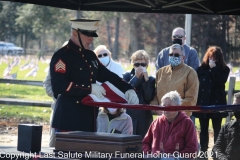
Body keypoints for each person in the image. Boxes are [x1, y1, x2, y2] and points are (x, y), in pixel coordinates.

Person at [50, 19, 139, 132]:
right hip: (68, 119)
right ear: (74, 33)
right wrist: (89, 88)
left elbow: (108, 75)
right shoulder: (62, 55)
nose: (91, 39)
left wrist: (128, 89)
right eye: (87, 35)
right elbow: (58, 86)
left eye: (92, 35)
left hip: (88, 118)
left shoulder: (90, 56)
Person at [192, 46, 230, 154]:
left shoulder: (224, 69)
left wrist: (214, 69)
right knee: (203, 130)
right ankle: (203, 151)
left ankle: (216, 151)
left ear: (219, 58)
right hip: (204, 102)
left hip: (217, 103)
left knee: (217, 129)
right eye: (210, 57)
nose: (212, 60)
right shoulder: (201, 69)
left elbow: (220, 81)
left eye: (215, 58)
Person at [142, 91, 198, 159]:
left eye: (169, 106)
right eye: (164, 106)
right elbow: (145, 143)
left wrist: (175, 158)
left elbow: (192, 148)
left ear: (178, 107)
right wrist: (149, 155)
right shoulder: (156, 122)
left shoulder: (187, 123)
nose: (166, 109)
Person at [151, 44, 199, 117]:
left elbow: (191, 100)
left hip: (181, 118)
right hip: (162, 118)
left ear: (183, 57)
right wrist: (156, 108)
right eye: (171, 54)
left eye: (176, 55)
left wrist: (171, 108)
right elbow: (155, 96)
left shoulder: (190, 73)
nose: (173, 57)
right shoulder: (161, 72)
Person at [122, 50, 155, 139]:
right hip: (129, 115)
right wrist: (136, 77)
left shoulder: (151, 79)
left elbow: (149, 97)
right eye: (137, 64)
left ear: (147, 65)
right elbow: (126, 92)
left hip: (144, 117)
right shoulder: (126, 76)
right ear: (133, 64)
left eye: (143, 65)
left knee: (143, 145)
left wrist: (146, 80)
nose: (140, 67)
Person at [43, 41, 68, 147]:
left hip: (76, 110)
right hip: (58, 107)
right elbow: (47, 83)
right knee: (54, 139)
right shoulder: (56, 65)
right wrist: (56, 96)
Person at [212, 92, 240, 160]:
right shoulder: (226, 127)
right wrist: (223, 159)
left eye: (238, 106)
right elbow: (216, 149)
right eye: (234, 105)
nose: (236, 109)